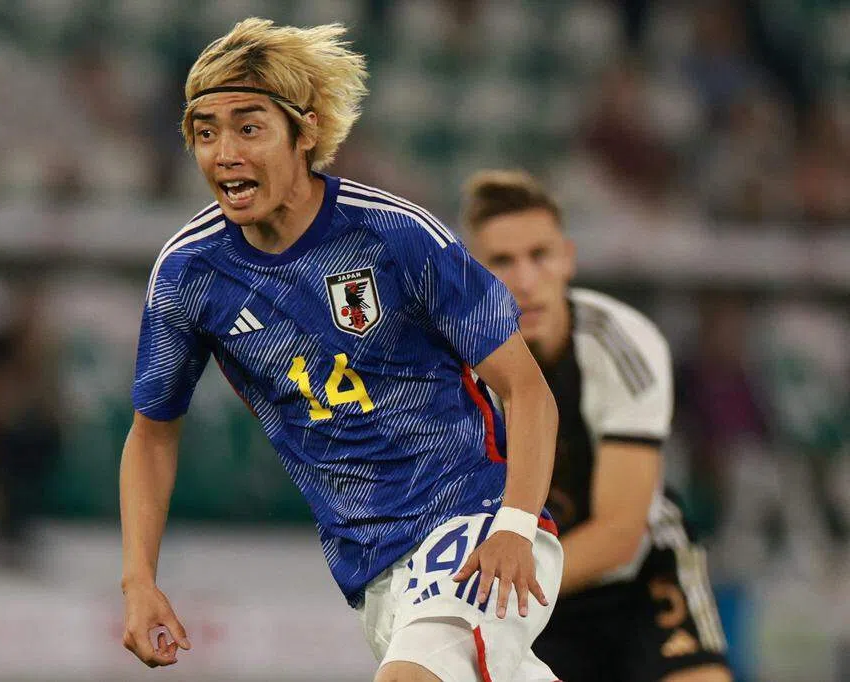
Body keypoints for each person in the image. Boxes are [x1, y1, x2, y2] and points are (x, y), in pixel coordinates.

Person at [120, 18, 563, 682]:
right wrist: (138, 581)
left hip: (475, 525)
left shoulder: (394, 235)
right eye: (206, 133)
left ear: (304, 133)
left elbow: (526, 390)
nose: (224, 153)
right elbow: (153, 434)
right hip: (371, 572)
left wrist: (515, 526)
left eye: (249, 128)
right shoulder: (190, 274)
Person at [463, 169, 732, 682]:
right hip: (521, 595)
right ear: (472, 271)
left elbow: (619, 535)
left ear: (568, 258)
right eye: (502, 261)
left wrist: (501, 577)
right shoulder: (451, 366)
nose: (524, 280)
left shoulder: (623, 345)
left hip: (636, 579)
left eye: (539, 255)